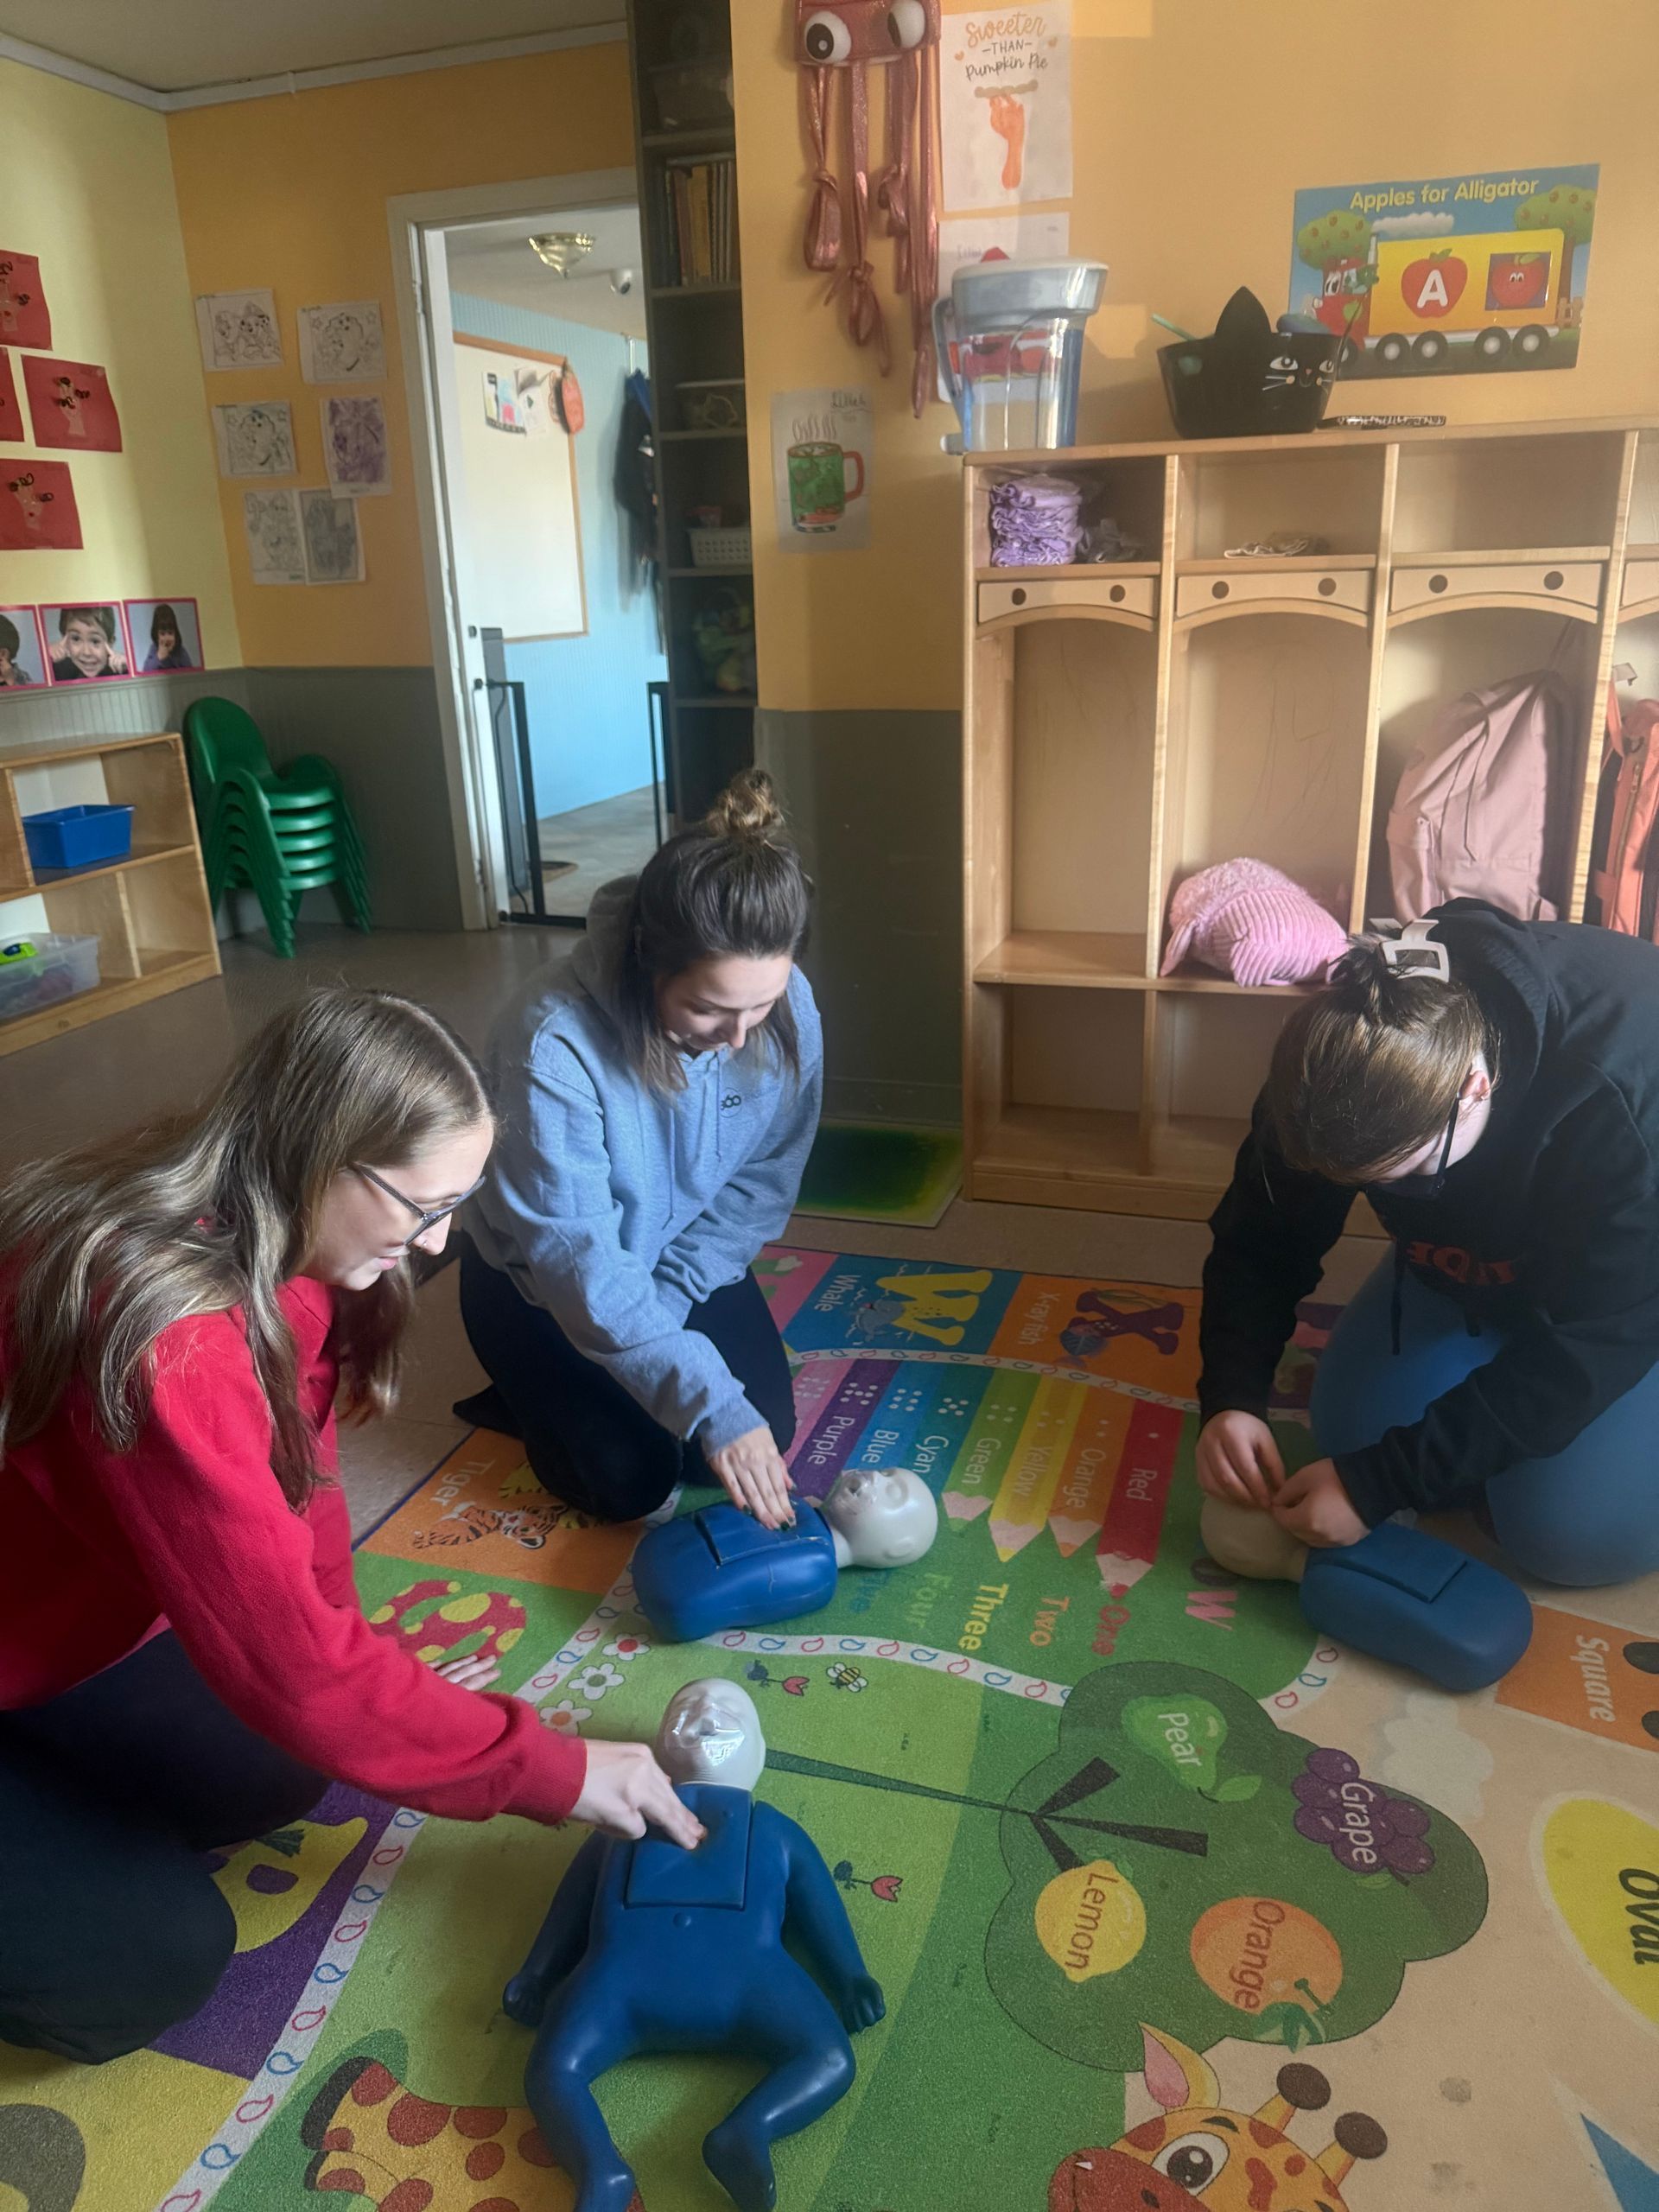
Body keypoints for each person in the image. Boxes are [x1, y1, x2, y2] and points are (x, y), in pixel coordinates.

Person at [0, 989, 700, 2068]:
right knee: (155, 1964)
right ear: (320, 1152)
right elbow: (302, 1678)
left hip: (45, 1641)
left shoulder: (285, 1238)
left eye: (460, 1203)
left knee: (286, 1763)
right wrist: (553, 1769)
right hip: (31, 1643)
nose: (442, 1239)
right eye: (423, 1206)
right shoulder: (172, 1340)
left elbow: (302, 1497)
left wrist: (346, 1651)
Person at [1195, 901, 1659, 1591]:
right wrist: (1231, 1393)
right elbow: (1261, 1238)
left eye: (1409, 1175)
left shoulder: (1619, 1095)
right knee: (1350, 1434)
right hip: (1478, 1259)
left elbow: (1605, 1337)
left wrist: (1381, 1483)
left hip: (1630, 1294)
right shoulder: (1330, 1065)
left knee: (1569, 1540)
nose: (1390, 1193)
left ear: (1476, 1089)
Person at [461, 768, 822, 1530]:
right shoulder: (549, 1041)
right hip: (541, 1281)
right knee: (632, 1486)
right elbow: (578, 1260)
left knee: (752, 1438)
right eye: (708, 1008)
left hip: (676, 1259)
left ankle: (624, 1368)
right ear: (645, 962)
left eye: (762, 1004)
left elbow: (761, 1184)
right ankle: (518, 1379)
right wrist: (696, 1390)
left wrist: (673, 1321)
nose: (740, 1036)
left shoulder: (787, 1008)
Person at [49, 604, 126, 682]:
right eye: (76, 639)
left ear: (111, 642)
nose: (86, 652)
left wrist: (129, 668)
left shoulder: (121, 670)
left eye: (95, 641)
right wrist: (47, 658)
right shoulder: (59, 668)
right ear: (65, 640)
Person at [143, 601, 194, 673]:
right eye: (162, 634)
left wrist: (171, 656)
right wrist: (159, 656)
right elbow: (146, 671)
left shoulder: (180, 651)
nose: (167, 638)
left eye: (170, 633)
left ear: (175, 634)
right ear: (156, 635)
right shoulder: (154, 649)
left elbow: (191, 672)